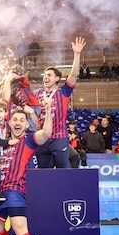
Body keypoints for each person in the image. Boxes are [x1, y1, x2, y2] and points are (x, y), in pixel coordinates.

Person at [0, 97, 53, 235]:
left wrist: (48, 110)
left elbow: (46, 132)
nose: (17, 123)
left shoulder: (29, 140)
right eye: (15, 120)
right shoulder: (4, 143)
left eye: (21, 120)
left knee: (19, 229)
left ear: (25, 125)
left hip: (15, 190)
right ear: (9, 122)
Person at [33, 37, 86, 168]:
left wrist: (77, 54)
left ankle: (67, 189)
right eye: (45, 75)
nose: (45, 77)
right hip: (42, 137)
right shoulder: (37, 93)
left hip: (59, 137)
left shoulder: (63, 92)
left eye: (49, 75)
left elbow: (73, 75)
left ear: (57, 78)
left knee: (64, 169)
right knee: (43, 172)